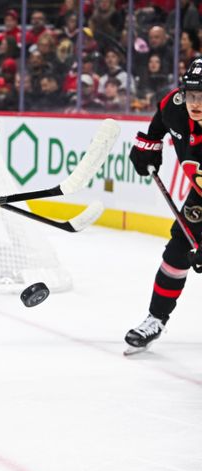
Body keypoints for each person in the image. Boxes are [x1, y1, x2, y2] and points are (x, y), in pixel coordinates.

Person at [126, 58, 202, 354]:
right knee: (177, 253)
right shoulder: (176, 105)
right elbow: (159, 121)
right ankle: (156, 319)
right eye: (193, 95)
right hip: (199, 198)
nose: (195, 103)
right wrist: (148, 145)